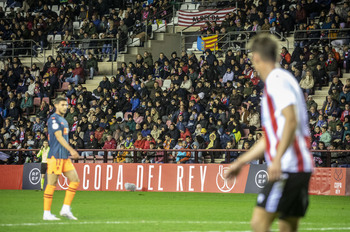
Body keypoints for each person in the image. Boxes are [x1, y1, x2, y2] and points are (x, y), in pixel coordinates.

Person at [225, 34, 313, 232]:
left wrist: (278, 159)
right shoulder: (285, 79)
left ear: (256, 57)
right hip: (298, 166)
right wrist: (240, 162)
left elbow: (291, 120)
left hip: (288, 167)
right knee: (287, 227)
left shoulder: (276, 81)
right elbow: (271, 138)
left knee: (259, 223)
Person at [43, 97, 80, 220]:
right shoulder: (53, 119)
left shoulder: (63, 120)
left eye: (66, 105)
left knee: (75, 180)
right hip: (55, 156)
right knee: (52, 184)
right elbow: (58, 137)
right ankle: (46, 213)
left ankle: (65, 208)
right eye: (63, 104)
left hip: (64, 157)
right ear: (56, 105)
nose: (65, 107)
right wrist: (71, 150)